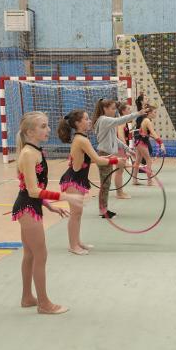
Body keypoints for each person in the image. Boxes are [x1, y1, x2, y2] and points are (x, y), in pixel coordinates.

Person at [11, 111, 83, 314]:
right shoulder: (28, 154)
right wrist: (66, 197)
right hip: (27, 207)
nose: (48, 129)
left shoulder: (36, 151)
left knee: (30, 254)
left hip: (31, 205)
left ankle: (27, 297)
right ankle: (44, 303)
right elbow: (32, 190)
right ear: (29, 131)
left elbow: (31, 187)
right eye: (43, 126)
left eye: (47, 125)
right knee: (40, 255)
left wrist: (48, 205)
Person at [58, 109, 122, 255]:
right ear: (78, 123)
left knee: (78, 214)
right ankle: (73, 246)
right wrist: (115, 160)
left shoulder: (81, 138)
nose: (89, 121)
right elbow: (98, 160)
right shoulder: (82, 140)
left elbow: (91, 159)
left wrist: (113, 157)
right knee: (75, 214)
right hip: (73, 180)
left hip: (78, 179)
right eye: (86, 119)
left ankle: (77, 242)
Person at [92, 99, 147, 218]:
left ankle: (104, 208)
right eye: (112, 108)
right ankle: (103, 210)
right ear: (105, 109)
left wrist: (127, 149)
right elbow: (120, 120)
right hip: (104, 154)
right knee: (105, 183)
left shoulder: (107, 122)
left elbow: (114, 139)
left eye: (114, 108)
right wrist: (138, 113)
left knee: (106, 183)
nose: (114, 111)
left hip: (108, 154)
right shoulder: (104, 120)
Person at [132, 103, 166, 186]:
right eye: (154, 112)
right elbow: (153, 133)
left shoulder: (146, 120)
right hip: (141, 142)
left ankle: (134, 180)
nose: (156, 114)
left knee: (138, 161)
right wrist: (161, 143)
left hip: (138, 141)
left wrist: (155, 138)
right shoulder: (147, 120)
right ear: (149, 113)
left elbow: (145, 132)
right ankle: (149, 181)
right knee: (149, 161)